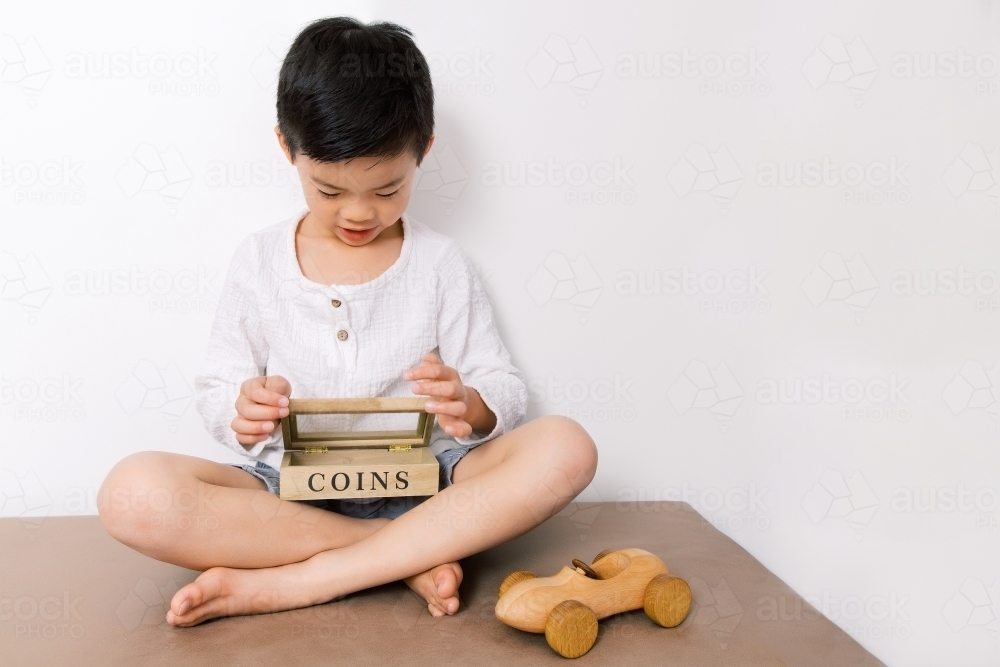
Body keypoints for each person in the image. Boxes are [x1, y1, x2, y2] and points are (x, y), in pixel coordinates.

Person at [97, 16, 597, 626]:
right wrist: (242, 409)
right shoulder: (258, 261)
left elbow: (503, 387)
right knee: (130, 493)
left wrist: (471, 403)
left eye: (388, 190)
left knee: (567, 446)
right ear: (288, 148)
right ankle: (399, 556)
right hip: (288, 491)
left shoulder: (439, 263)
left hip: (428, 484)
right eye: (328, 191)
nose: (359, 213)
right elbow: (217, 389)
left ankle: (306, 579)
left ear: (425, 149)